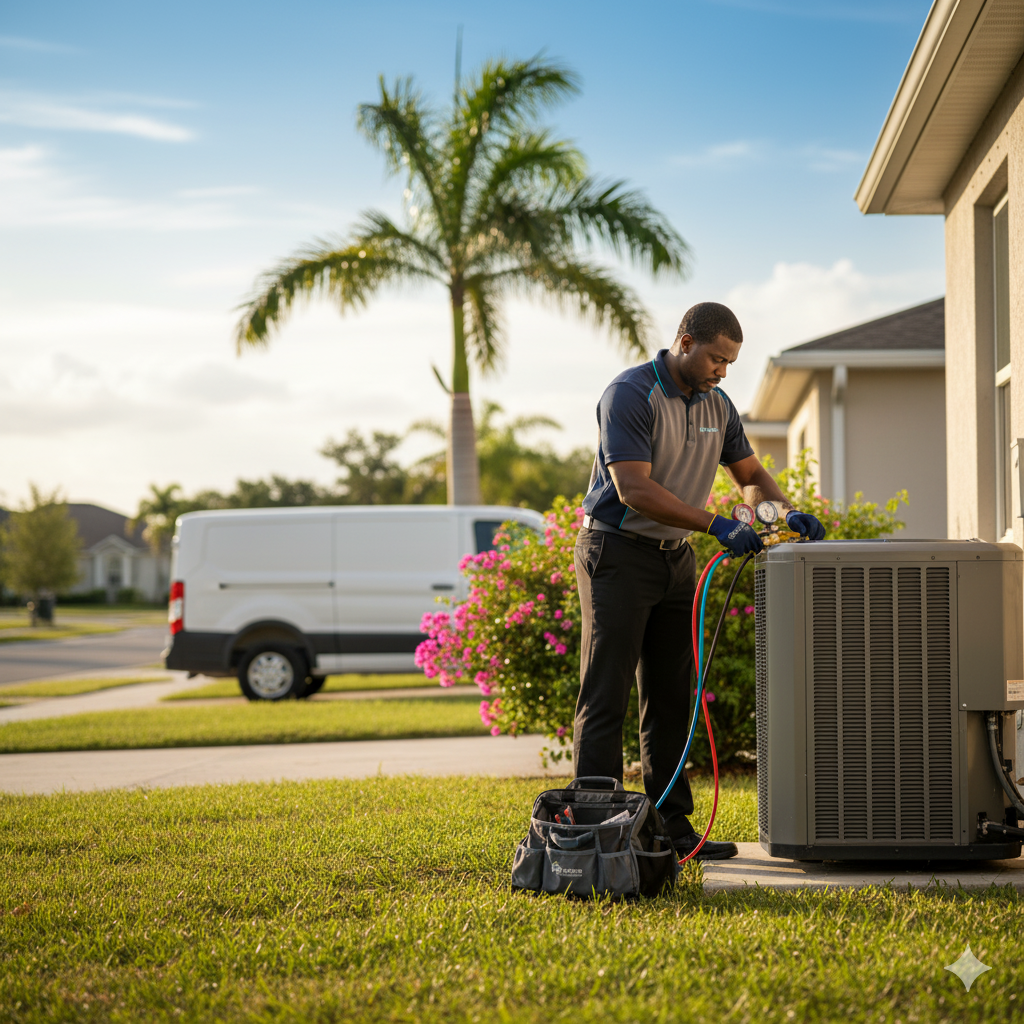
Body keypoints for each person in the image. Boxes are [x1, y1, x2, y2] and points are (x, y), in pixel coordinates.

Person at [574, 301, 825, 860]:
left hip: (674, 559)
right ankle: (600, 833)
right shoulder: (631, 394)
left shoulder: (719, 404)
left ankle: (670, 830)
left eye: (731, 362)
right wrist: (716, 523)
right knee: (606, 692)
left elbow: (750, 475)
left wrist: (783, 513)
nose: (722, 370)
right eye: (716, 358)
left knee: (670, 697)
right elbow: (634, 488)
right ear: (685, 341)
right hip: (615, 552)